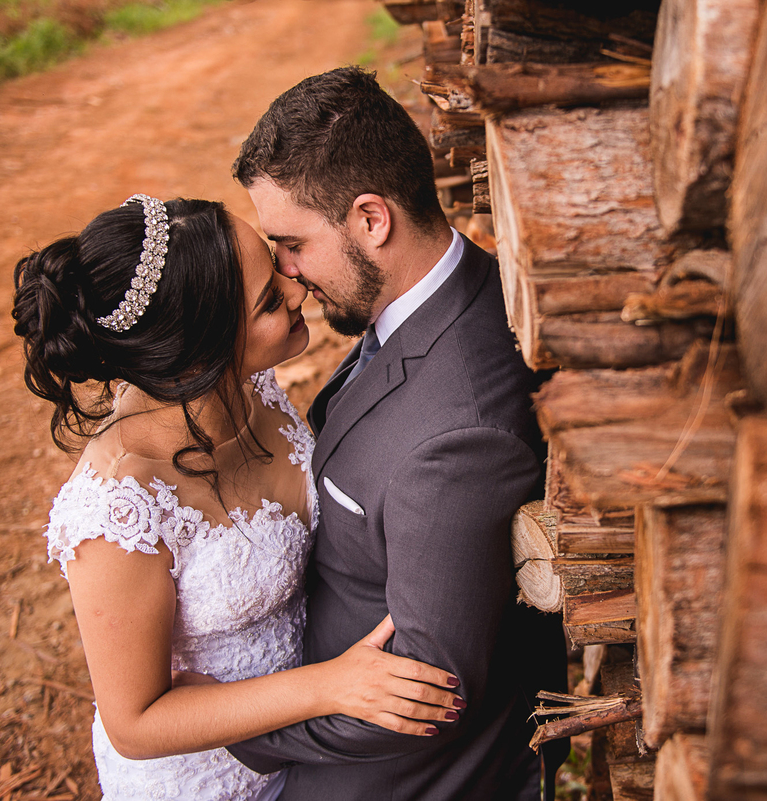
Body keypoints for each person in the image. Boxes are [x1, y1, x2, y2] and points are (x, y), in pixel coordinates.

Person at [12, 195, 463, 801]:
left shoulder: (255, 388)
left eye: (276, 266)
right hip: (208, 778)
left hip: (312, 745)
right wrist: (330, 687)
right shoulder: (118, 510)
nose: (297, 286)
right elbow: (135, 724)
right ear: (197, 355)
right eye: (271, 302)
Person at [225, 67, 569, 800]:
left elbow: (429, 691)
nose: (286, 275)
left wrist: (234, 724)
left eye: (292, 244)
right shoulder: (446, 290)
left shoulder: (456, 430)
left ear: (372, 220)